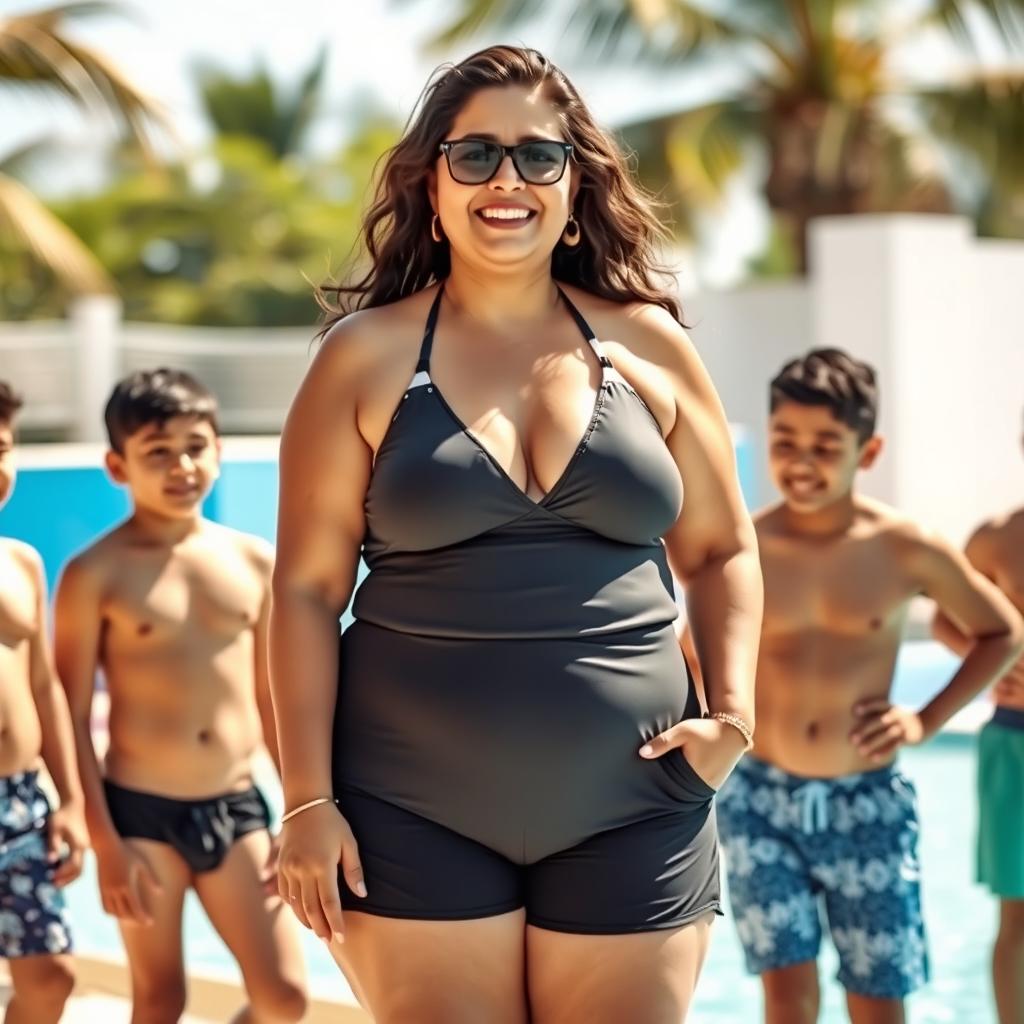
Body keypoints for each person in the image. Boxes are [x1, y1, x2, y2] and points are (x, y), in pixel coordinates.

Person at [270, 45, 763, 1024]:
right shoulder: (361, 358)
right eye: (477, 156)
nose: (508, 180)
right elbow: (303, 594)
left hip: (637, 806)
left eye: (539, 157)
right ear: (433, 183)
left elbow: (720, 548)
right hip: (409, 810)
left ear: (575, 186)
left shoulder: (649, 343)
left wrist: (735, 719)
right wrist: (305, 801)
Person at [703, 349, 1023, 1024]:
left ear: (867, 450)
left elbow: (1002, 633)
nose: (802, 462)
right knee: (786, 996)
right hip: (760, 800)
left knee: (878, 1000)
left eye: (826, 446)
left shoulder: (905, 547)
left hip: (867, 802)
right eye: (786, 442)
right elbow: (691, 655)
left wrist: (923, 722)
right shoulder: (746, 546)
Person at [53, 369, 306, 1024]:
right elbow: (71, 713)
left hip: (236, 807)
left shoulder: (254, 563)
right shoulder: (95, 572)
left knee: (284, 998)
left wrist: (298, 806)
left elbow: (271, 699)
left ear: (218, 450)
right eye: (157, 453)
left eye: (196, 446)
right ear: (117, 466)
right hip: (140, 817)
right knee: (160, 999)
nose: (182, 466)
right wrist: (102, 837)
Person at [0, 379, 86, 1024]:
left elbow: (41, 685)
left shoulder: (22, 562)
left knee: (50, 975)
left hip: (22, 802)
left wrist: (71, 799)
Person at [933, 425, 1024, 1024]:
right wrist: (993, 664)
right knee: (1015, 914)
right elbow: (945, 618)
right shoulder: (999, 537)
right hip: (1013, 738)